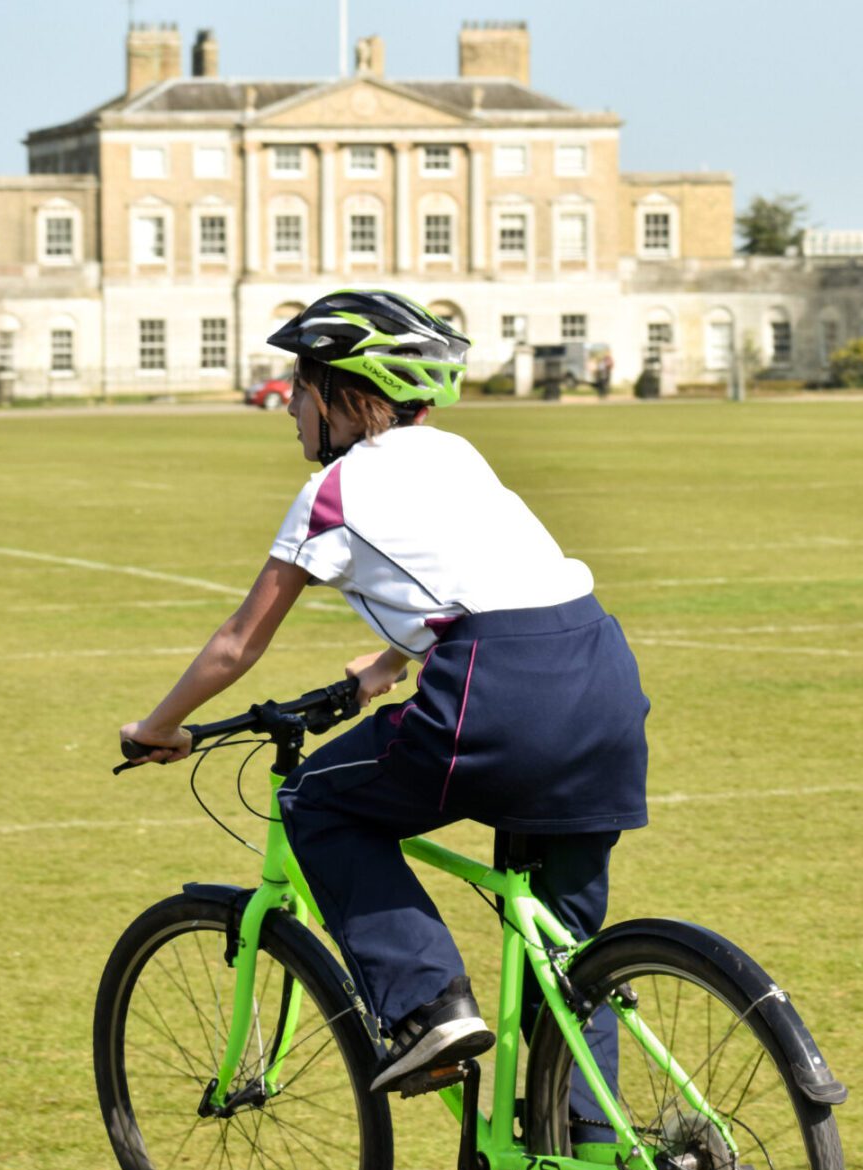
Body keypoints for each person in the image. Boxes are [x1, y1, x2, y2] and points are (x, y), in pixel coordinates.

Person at [118, 291, 649, 1121]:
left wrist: (157, 729)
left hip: (494, 690)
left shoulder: (333, 491)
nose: (290, 405)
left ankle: (428, 1006)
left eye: (300, 386)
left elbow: (237, 644)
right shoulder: (458, 454)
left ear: (341, 395)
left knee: (312, 803)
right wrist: (391, 659)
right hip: (601, 673)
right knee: (565, 955)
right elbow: (479, 569)